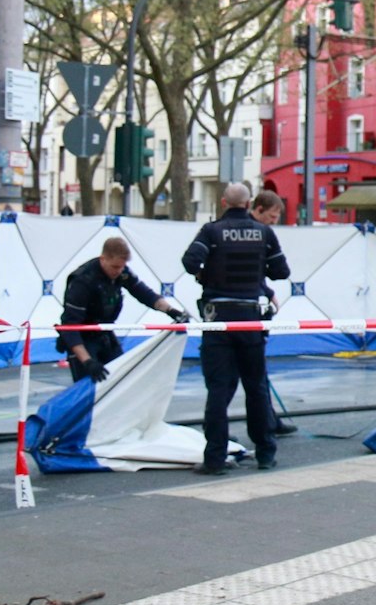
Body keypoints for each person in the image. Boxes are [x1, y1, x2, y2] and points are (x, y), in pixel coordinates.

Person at [182, 182, 290, 474]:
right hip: (250, 319)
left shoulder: (212, 231)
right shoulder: (264, 233)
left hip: (218, 320)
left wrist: (208, 272)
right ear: (248, 204)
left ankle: (215, 459)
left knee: (218, 389)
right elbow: (281, 272)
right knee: (256, 387)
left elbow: (190, 262)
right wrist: (257, 274)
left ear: (223, 202)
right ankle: (266, 453)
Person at [60, 237, 188, 384]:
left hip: (105, 333)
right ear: (103, 259)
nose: (119, 271)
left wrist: (171, 310)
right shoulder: (82, 281)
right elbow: (69, 326)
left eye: (122, 266)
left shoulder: (122, 271)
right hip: (82, 337)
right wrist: (87, 361)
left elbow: (143, 292)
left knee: (121, 378)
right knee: (87, 386)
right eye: (115, 267)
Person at [249, 189, 298, 437]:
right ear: (258, 210)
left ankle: (269, 418)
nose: (274, 222)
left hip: (247, 304)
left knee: (253, 374)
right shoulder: (257, 234)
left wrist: (265, 291)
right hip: (246, 312)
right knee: (251, 376)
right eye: (272, 216)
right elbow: (278, 270)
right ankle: (265, 425)